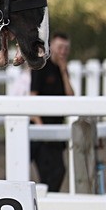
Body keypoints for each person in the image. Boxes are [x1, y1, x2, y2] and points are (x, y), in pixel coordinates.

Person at [28, 31, 74, 191]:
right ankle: (42, 206)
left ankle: (43, 205)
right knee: (52, 173)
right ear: (52, 47)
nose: (63, 52)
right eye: (60, 47)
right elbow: (32, 99)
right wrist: (42, 129)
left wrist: (63, 71)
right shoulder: (41, 67)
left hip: (57, 130)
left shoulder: (62, 70)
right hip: (41, 130)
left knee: (58, 173)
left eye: (66, 48)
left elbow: (71, 98)